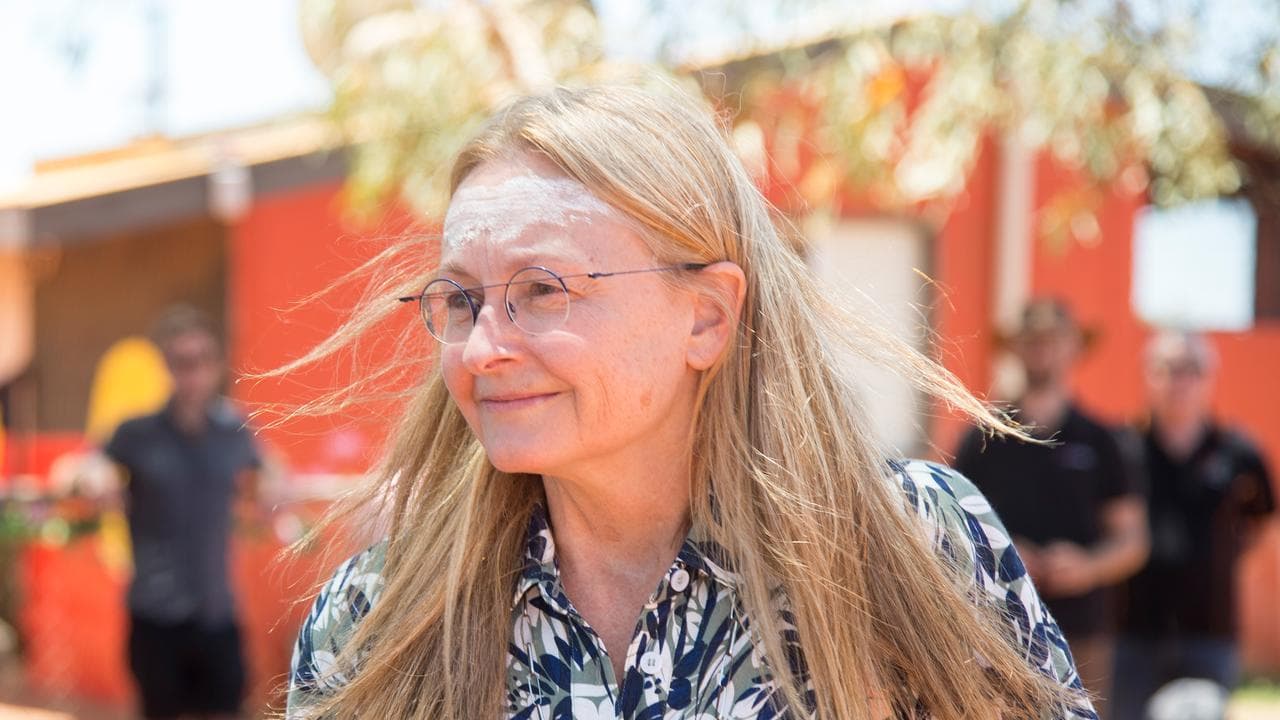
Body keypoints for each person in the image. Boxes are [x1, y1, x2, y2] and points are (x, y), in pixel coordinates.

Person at [283, 84, 1096, 720]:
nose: (483, 348)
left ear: (706, 316)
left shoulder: (909, 543)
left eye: (542, 290)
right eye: (459, 301)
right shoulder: (376, 618)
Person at [953, 299, 1148, 717]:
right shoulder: (983, 438)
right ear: (1015, 349)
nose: (1043, 350)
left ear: (1074, 349)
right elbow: (948, 528)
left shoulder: (1102, 440)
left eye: (1054, 340)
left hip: (1081, 630)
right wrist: (1003, 554)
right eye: (1033, 340)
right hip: (995, 628)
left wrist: (1088, 566)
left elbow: (1132, 540)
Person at [101, 305, 262, 720]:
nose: (192, 374)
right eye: (181, 362)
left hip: (216, 610)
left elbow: (267, 470)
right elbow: (90, 466)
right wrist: (92, 479)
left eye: (202, 361)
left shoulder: (233, 431)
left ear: (217, 364)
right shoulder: (135, 433)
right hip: (157, 613)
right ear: (166, 366)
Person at [1112, 331, 1276, 720]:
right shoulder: (1122, 450)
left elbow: (1264, 527)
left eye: (1192, 370)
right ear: (1147, 376)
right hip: (1133, 633)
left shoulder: (1240, 453)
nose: (1180, 382)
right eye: (1168, 369)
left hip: (1210, 633)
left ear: (1210, 378)